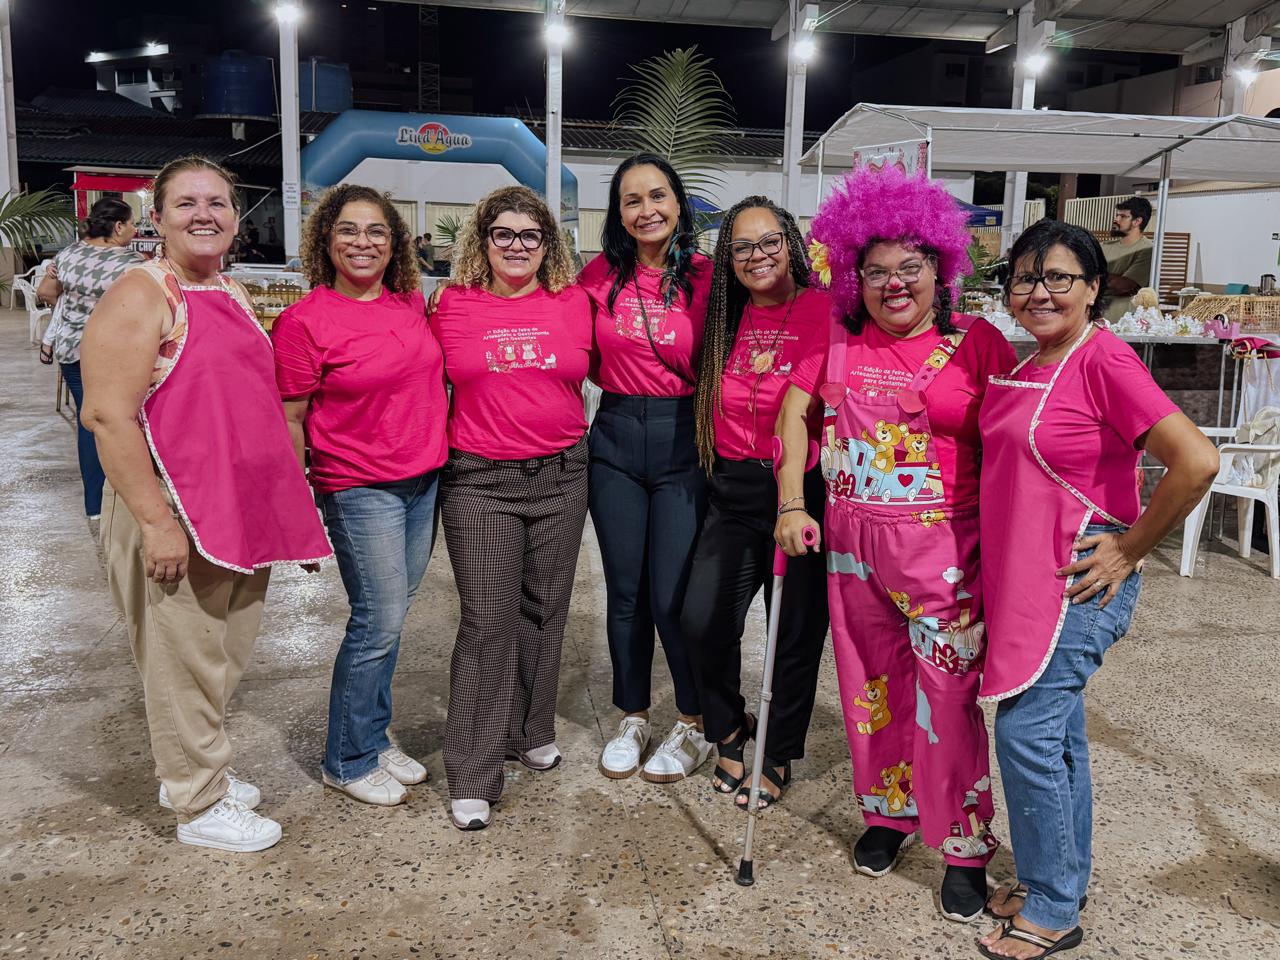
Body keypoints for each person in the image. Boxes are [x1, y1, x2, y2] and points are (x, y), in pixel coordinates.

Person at [775, 165, 1017, 921]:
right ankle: (888, 815)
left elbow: (1017, 448)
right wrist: (791, 500)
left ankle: (963, 846)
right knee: (871, 693)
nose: (892, 285)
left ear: (939, 267)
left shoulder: (979, 344)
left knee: (948, 703)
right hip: (852, 556)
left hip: (948, 558)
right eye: (875, 271)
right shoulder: (839, 340)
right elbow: (792, 417)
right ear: (855, 276)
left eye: (909, 267)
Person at [976, 220, 1217, 960]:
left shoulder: (1103, 358)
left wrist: (1132, 545)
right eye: (1023, 277)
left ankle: (1052, 907)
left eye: (1058, 277)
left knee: (1026, 734)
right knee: (1060, 736)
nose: (1038, 291)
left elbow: (1197, 461)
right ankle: (1062, 880)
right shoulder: (1042, 358)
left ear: (1092, 289)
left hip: (1077, 585)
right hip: (1028, 576)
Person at [80, 156, 332, 852]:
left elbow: (253, 413)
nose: (204, 214)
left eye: (217, 203)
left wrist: (288, 518)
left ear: (235, 217)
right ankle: (197, 802)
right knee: (182, 658)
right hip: (174, 511)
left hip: (238, 513)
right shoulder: (141, 294)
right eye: (185, 203)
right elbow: (107, 416)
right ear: (155, 218)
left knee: (220, 656)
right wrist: (158, 523)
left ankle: (192, 766)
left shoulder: (228, 290)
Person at [272, 184, 447, 807]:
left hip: (423, 481)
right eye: (349, 230)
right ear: (326, 239)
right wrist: (297, 507)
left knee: (392, 620)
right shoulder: (303, 321)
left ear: (395, 242)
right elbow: (290, 419)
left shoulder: (409, 301)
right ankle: (345, 759)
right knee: (377, 622)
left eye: (376, 231)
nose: (363, 242)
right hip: (358, 486)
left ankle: (370, 734)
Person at [429, 185, 593, 831]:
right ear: (483, 240)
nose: (518, 245)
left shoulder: (575, 303)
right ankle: (472, 769)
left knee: (544, 613)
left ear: (548, 243)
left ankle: (530, 731)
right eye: (504, 234)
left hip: (561, 475)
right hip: (479, 480)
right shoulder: (451, 304)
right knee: (488, 620)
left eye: (531, 235)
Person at [680, 196, 830, 809]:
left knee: (793, 631)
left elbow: (806, 403)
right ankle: (729, 724)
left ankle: (778, 750)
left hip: (801, 491)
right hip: (731, 489)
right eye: (742, 247)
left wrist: (793, 500)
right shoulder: (724, 314)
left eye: (769, 241)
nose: (758, 256)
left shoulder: (825, 310)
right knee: (702, 620)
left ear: (791, 244)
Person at [577, 153, 713, 784]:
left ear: (679, 203)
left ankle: (694, 722)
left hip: (686, 437)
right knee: (625, 592)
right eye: (631, 200)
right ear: (618, 213)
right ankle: (633, 713)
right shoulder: (597, 275)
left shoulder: (712, 278)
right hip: (616, 438)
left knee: (673, 597)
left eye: (657, 196)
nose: (646, 210)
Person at [36, 197, 143, 519]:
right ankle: (121, 496)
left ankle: (94, 505)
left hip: (71, 350)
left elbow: (46, 294)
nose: (135, 230)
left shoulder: (68, 254)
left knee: (89, 420)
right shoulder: (132, 263)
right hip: (113, 351)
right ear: (119, 226)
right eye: (132, 223)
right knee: (120, 420)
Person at [1101, 196, 1153, 323]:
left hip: (1126, 324)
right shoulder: (1104, 247)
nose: (1116, 220)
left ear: (1137, 221)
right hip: (1097, 321)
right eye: (1117, 215)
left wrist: (1096, 278)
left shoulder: (1147, 249)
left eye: (1123, 216)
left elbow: (1122, 286)